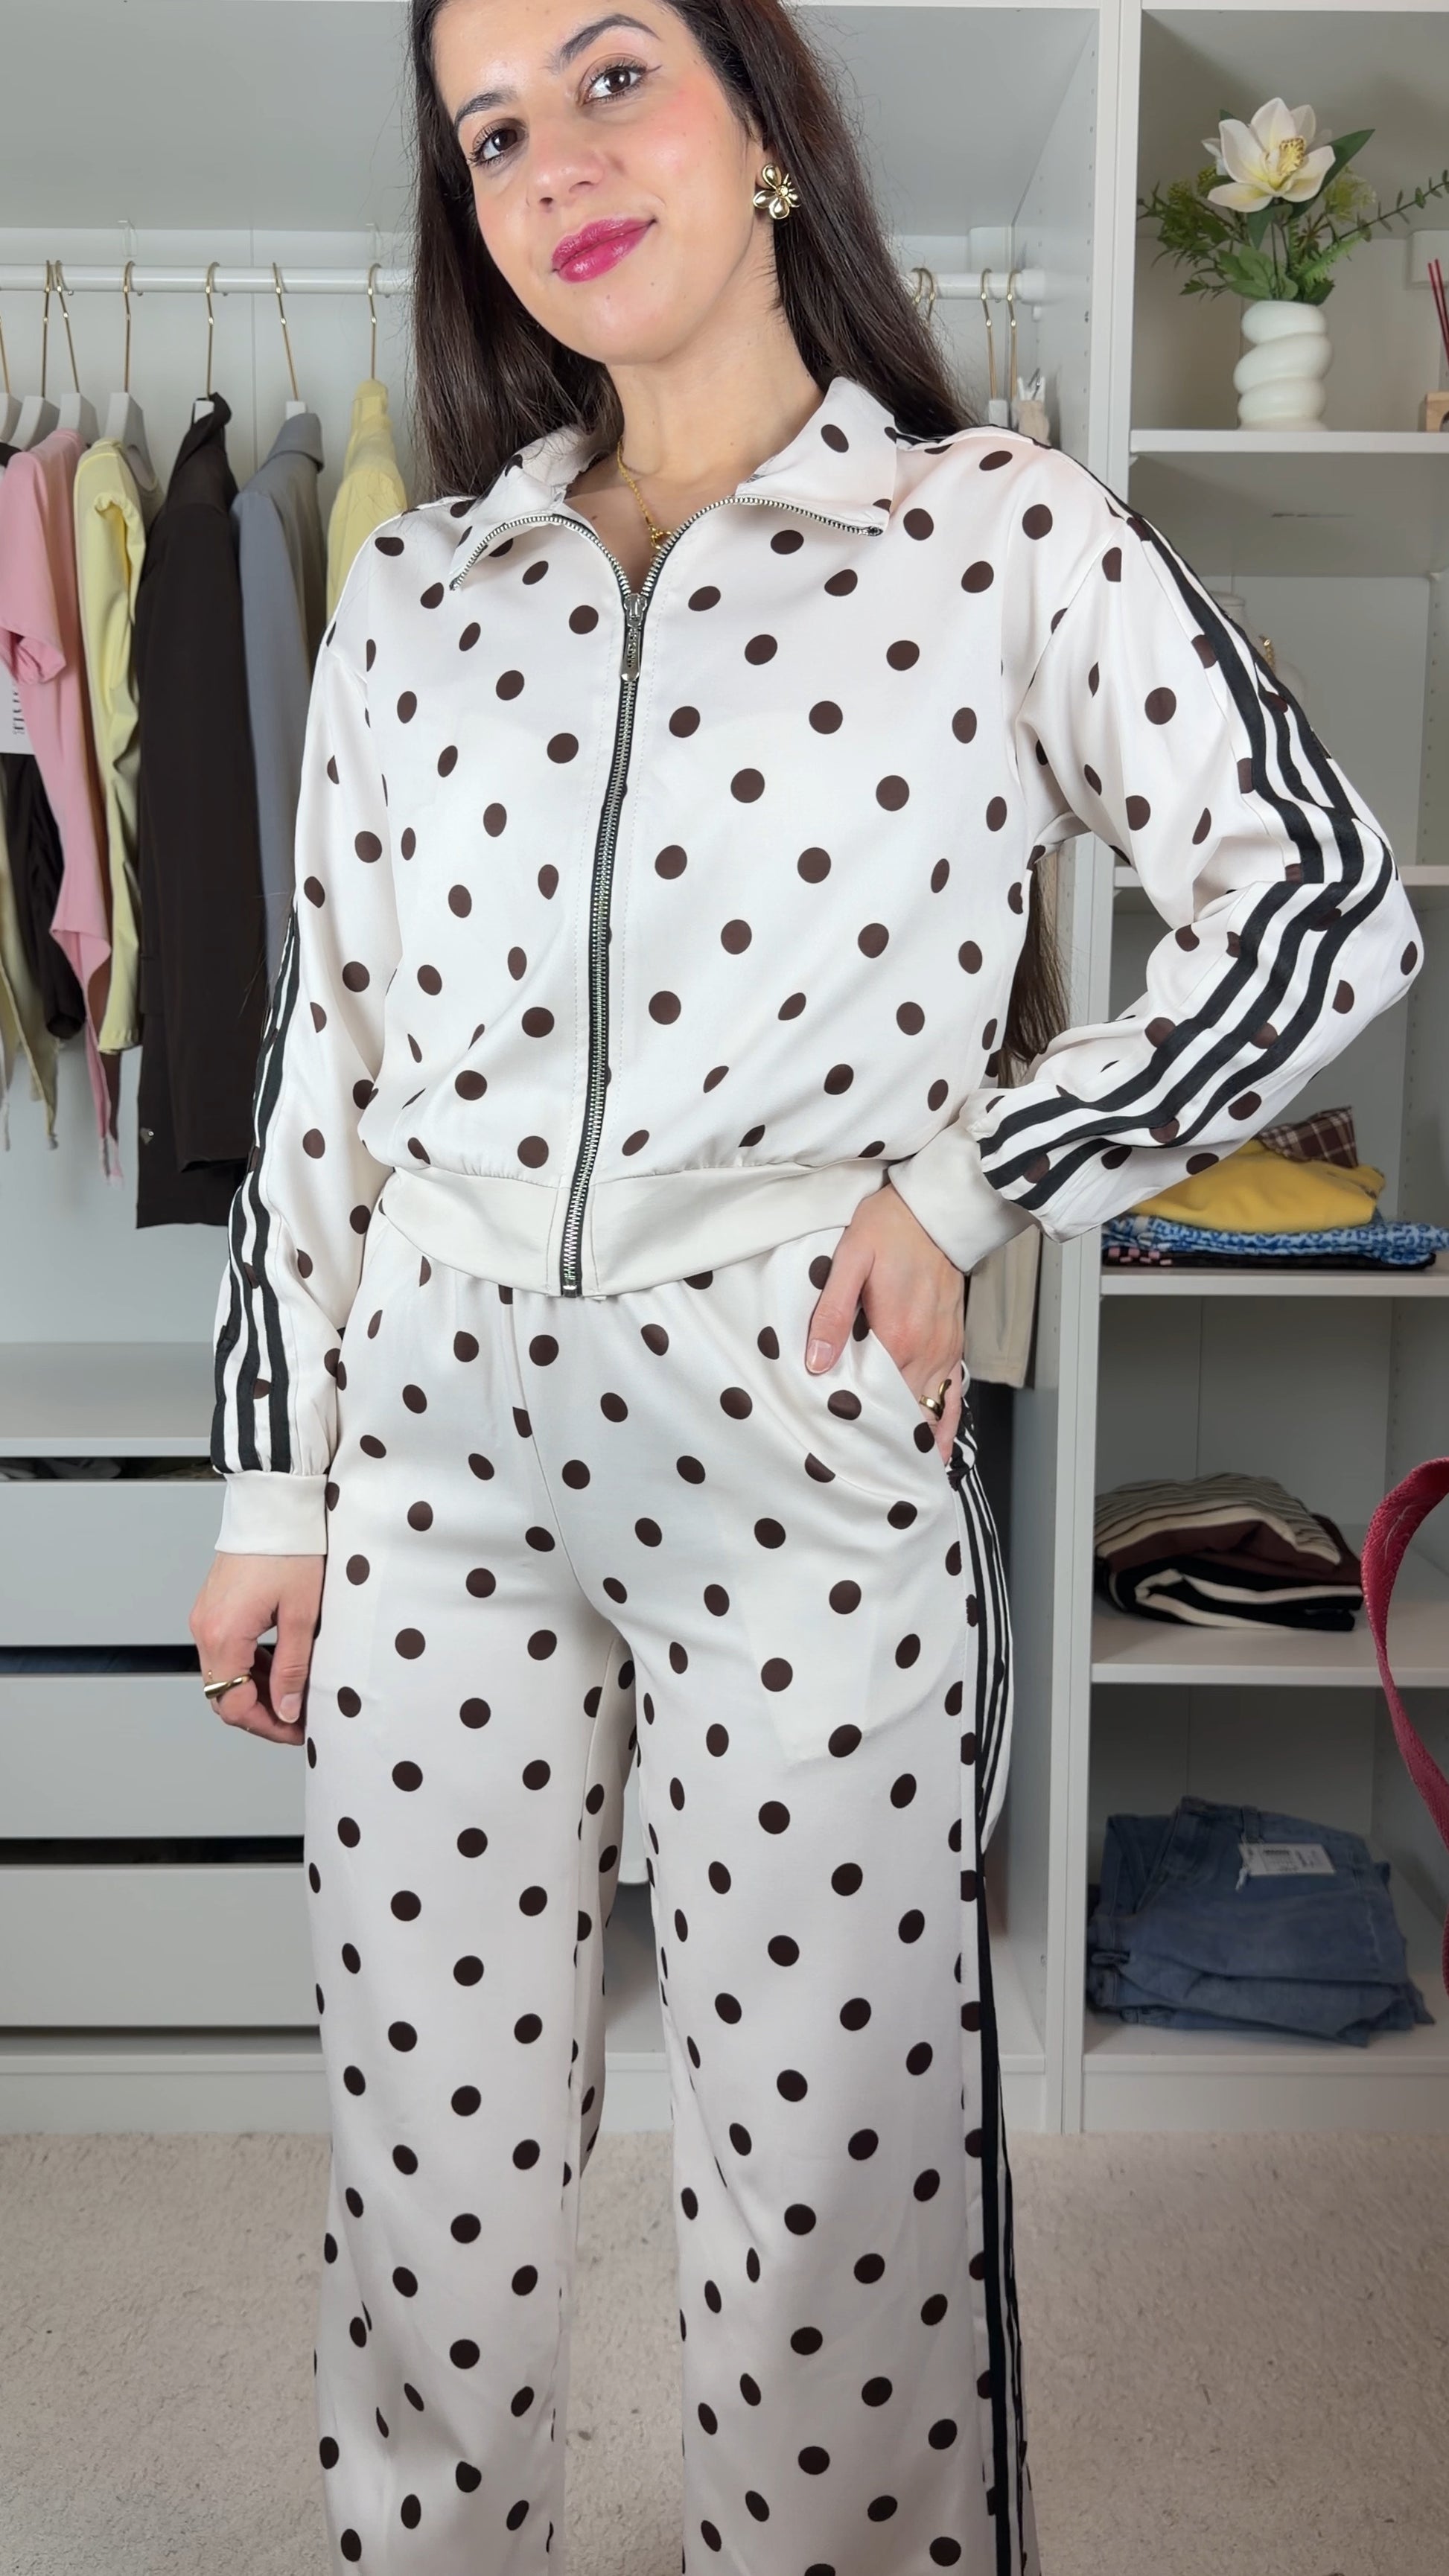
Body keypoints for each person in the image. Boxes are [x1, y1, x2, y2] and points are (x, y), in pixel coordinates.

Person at [189, 1, 1421, 2568]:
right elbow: (328, 1063)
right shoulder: (416, 583)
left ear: (761, 122)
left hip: (799, 1460)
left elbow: (1319, 898)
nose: (554, 162)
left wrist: (978, 1180)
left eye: (609, 77)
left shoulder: (993, 532)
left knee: (838, 2174)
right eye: (491, 132)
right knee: (424, 2161)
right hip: (429, 1462)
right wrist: (268, 1488)